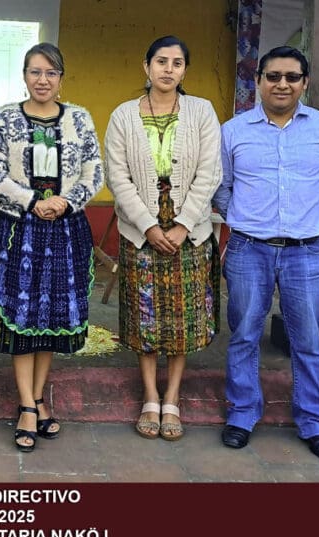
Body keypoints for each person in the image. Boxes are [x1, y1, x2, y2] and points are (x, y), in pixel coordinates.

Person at [212, 46, 319, 460]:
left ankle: (312, 421)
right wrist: (248, 221)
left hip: (305, 253)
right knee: (244, 335)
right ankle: (242, 413)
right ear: (258, 82)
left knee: (308, 340)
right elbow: (222, 187)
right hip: (248, 249)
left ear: (305, 82)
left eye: (291, 76)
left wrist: (307, 226)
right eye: (273, 76)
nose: (282, 84)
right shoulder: (233, 130)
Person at [0, 43, 103, 452]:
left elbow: (94, 170)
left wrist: (65, 201)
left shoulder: (80, 119)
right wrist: (35, 201)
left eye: (51, 73)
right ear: (24, 75)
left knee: (48, 318)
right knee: (21, 316)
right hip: (20, 230)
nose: (43, 80)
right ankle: (26, 405)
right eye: (35, 72)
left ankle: (37, 398)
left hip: (64, 229)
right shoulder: (3, 118)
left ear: (61, 77)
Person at [104, 36, 222, 442]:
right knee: (146, 315)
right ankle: (149, 395)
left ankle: (172, 396)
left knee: (183, 317)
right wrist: (149, 226)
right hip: (140, 232)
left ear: (185, 69)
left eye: (176, 63)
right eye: (160, 61)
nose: (168, 69)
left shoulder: (202, 111)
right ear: (146, 66)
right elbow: (117, 177)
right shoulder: (123, 115)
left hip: (190, 230)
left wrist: (183, 224)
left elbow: (210, 173)